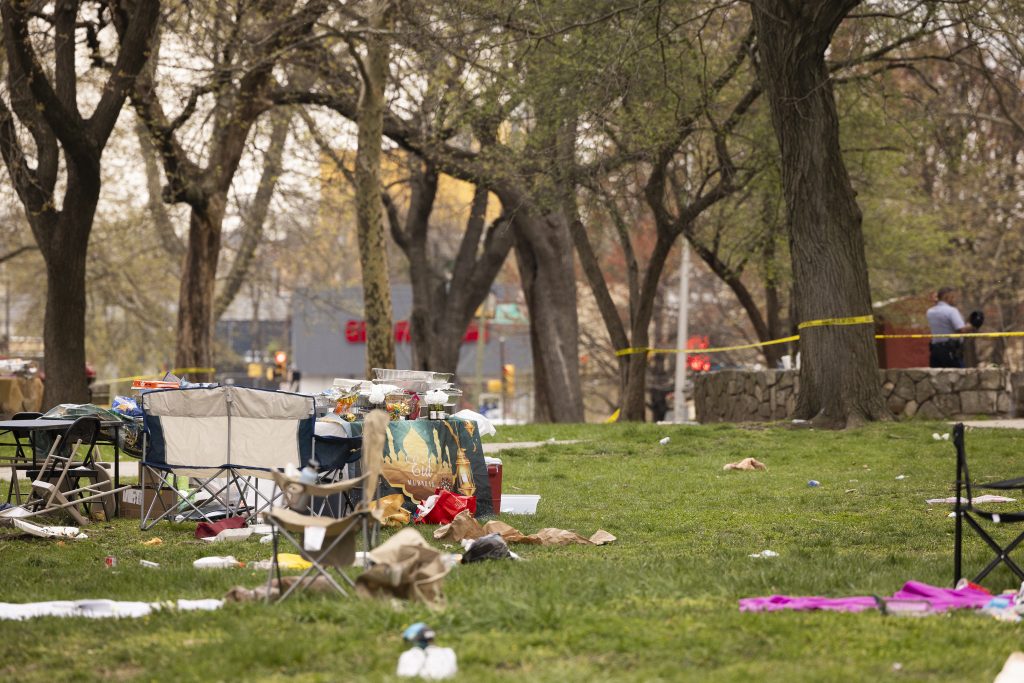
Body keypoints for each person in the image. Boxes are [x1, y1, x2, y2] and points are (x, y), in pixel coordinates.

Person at [926, 287, 983, 368]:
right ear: (947, 297)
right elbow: (961, 329)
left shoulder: (930, 312)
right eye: (953, 297)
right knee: (959, 375)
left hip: (935, 351)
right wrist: (974, 324)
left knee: (937, 375)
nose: (954, 299)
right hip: (950, 351)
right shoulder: (951, 311)